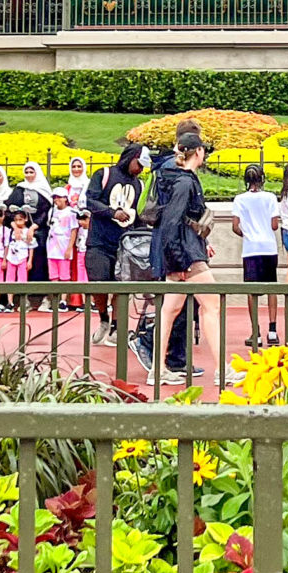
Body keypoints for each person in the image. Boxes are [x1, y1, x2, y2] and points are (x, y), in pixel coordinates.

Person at [146, 132, 215, 389]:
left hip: (181, 252)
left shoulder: (170, 176)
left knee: (169, 311)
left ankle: (157, 369)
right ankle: (222, 368)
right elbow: (175, 221)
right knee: (213, 305)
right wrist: (178, 259)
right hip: (184, 255)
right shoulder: (185, 182)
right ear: (197, 152)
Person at [83, 144, 146, 347]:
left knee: (122, 287)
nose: (140, 170)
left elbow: (139, 214)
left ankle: (117, 328)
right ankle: (103, 317)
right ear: (131, 158)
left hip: (125, 245)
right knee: (98, 281)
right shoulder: (103, 174)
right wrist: (112, 212)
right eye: (139, 164)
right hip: (99, 241)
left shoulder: (140, 185)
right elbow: (90, 201)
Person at [233, 163, 281, 349]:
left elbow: (235, 226)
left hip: (251, 248)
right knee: (272, 288)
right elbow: (274, 225)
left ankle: (256, 332)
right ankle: (273, 330)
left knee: (251, 290)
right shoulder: (270, 197)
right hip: (268, 247)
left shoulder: (239, 199)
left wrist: (247, 233)